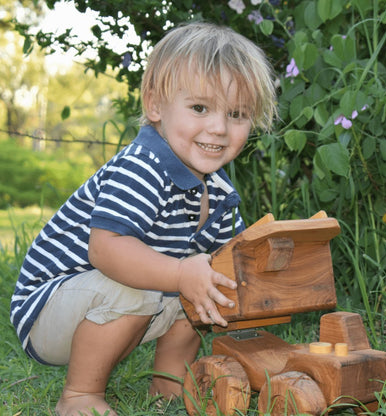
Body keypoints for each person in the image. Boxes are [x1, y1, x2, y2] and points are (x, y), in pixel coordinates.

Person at [10, 21, 277, 416]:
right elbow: (105, 250)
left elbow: (225, 267)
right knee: (155, 284)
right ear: (155, 106)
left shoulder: (219, 193)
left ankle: (166, 387)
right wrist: (183, 273)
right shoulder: (142, 167)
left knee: (203, 292)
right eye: (200, 108)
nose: (219, 128)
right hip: (49, 311)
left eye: (237, 114)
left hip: (118, 308)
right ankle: (80, 396)